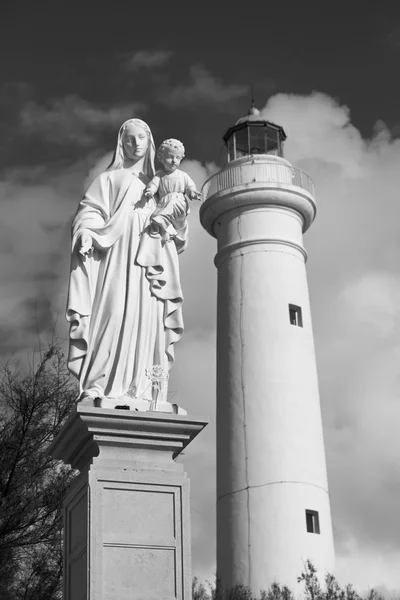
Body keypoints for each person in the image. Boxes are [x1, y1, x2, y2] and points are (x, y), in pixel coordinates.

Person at [66, 119, 189, 408]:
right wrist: (86, 234)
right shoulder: (108, 179)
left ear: (150, 141)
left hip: (150, 259)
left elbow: (177, 229)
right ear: (121, 144)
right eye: (129, 139)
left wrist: (180, 217)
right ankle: (99, 384)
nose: (135, 144)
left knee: (147, 320)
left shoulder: (160, 181)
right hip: (117, 255)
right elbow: (90, 212)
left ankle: (146, 391)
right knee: (113, 312)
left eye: (141, 138)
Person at [145, 138, 201, 242]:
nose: (174, 161)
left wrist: (193, 193)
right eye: (170, 157)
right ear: (161, 158)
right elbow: (153, 185)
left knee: (171, 203)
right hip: (163, 203)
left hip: (178, 202)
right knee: (162, 213)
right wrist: (150, 191)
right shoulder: (159, 175)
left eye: (178, 158)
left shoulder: (183, 175)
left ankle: (161, 220)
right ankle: (166, 232)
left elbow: (190, 187)